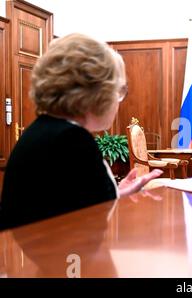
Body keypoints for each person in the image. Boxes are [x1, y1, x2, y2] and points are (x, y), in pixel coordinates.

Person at [0, 33, 162, 230]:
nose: (119, 99)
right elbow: (83, 235)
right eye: (119, 91)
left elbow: (67, 207)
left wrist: (114, 193)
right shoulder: (72, 140)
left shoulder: (40, 131)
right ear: (96, 92)